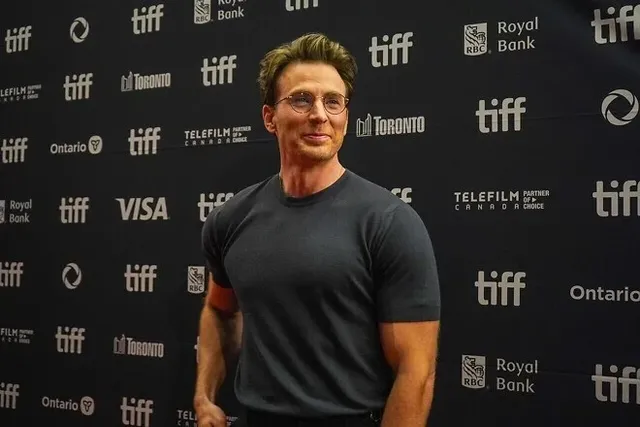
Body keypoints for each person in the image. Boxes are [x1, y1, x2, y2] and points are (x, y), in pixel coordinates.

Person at [193, 33, 441, 427]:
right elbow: (220, 311)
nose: (320, 115)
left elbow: (417, 372)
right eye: (302, 99)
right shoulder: (231, 218)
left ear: (346, 116)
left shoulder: (389, 222)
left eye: (333, 101)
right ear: (269, 118)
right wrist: (204, 396)